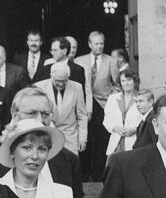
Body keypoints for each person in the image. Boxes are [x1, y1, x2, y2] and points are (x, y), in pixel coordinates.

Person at [75, 31, 120, 181]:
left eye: (101, 43)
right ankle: (84, 174)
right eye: (96, 43)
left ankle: (98, 175)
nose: (99, 46)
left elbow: (117, 84)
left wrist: (109, 97)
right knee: (85, 139)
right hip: (84, 104)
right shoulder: (79, 60)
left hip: (103, 105)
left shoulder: (111, 61)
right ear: (89, 44)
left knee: (101, 141)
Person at [34, 62, 87, 154]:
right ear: (51, 76)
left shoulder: (77, 87)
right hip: (47, 136)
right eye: (57, 81)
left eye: (64, 81)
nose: (61, 84)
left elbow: (81, 115)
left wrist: (82, 138)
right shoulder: (39, 87)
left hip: (70, 137)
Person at [102, 69, 143, 157]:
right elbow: (106, 120)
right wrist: (115, 128)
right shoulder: (112, 98)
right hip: (116, 143)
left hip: (134, 142)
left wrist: (135, 130)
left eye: (129, 80)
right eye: (123, 81)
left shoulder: (141, 98)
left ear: (135, 82)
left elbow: (145, 120)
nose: (126, 83)